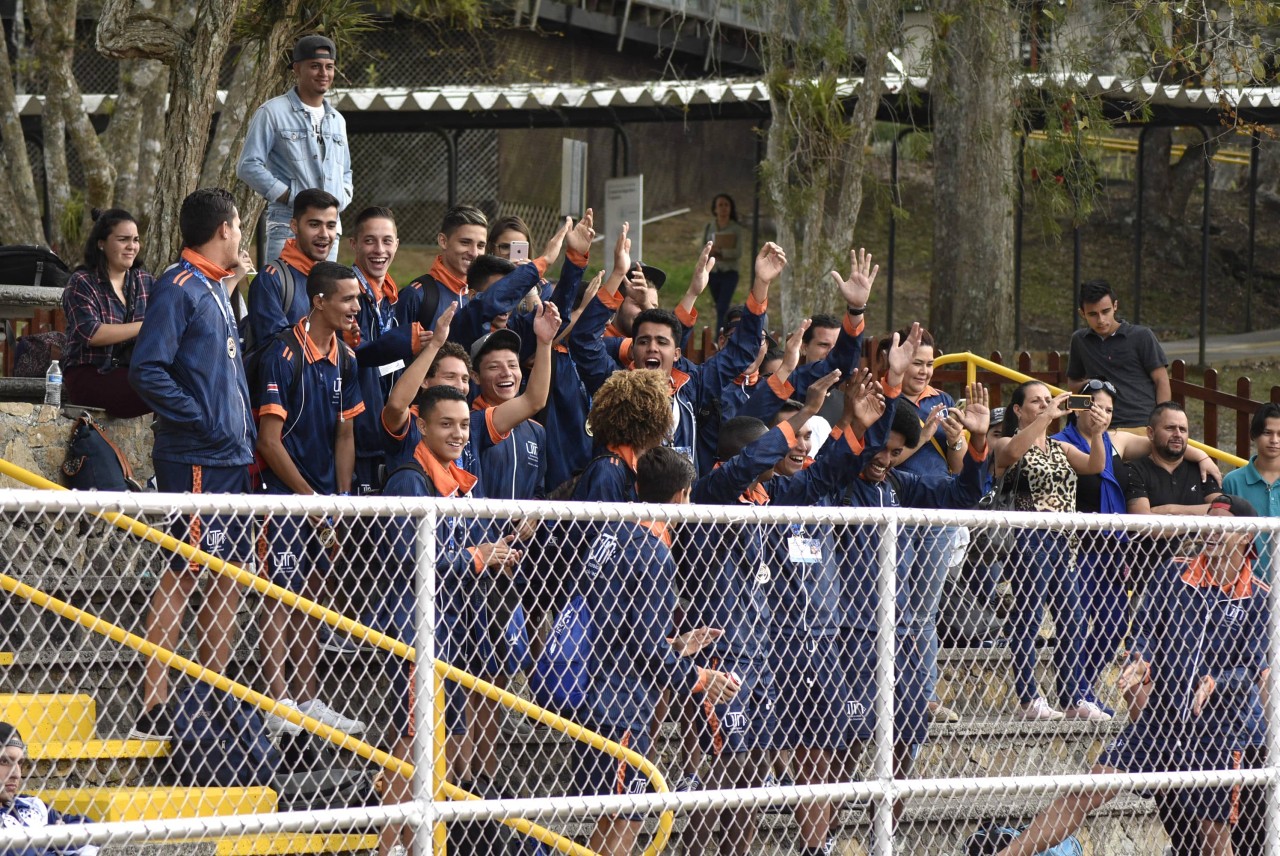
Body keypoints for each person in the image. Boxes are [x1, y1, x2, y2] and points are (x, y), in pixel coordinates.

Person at [993, 495, 1270, 856]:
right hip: (1160, 718)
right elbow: (1144, 630)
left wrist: (1215, 682)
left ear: (1246, 536)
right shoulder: (1174, 572)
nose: (1213, 531)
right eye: (1210, 521)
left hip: (1218, 730)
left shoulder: (1260, 596)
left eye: (1224, 525)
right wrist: (1141, 661)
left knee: (1212, 836)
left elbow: (1251, 667)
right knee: (1086, 789)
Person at [127, 188, 256, 740]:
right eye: (240, 227)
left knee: (227, 577)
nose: (243, 237)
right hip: (196, 456)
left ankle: (209, 695)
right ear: (225, 227)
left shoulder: (215, 287)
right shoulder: (177, 286)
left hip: (231, 457)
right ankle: (154, 705)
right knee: (184, 572)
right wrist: (202, 420)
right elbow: (147, 369)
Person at [571, 446, 740, 856]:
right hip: (620, 701)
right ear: (682, 495)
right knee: (626, 814)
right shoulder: (653, 549)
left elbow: (622, 627)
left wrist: (677, 645)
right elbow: (643, 648)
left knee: (619, 811)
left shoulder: (614, 531)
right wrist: (702, 678)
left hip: (597, 686)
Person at [1052, 379, 1222, 713]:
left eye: (1109, 409)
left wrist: (1201, 456)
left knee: (1114, 624)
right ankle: (1073, 693)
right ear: (1077, 407)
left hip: (1114, 547)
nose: (1103, 413)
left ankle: (1082, 687)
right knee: (1074, 621)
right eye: (1096, 405)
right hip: (1078, 547)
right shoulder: (1058, 443)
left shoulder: (1116, 440)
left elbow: (1165, 441)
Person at [252, 260, 366, 735]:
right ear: (318, 301)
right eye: (347, 299)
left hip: (322, 501)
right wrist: (311, 500)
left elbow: (346, 435)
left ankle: (307, 697)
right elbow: (268, 441)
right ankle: (276, 700)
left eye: (358, 299)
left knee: (315, 595)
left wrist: (336, 503)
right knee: (280, 594)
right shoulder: (281, 352)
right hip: (281, 495)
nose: (356, 308)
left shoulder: (349, 358)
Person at [991, 381, 1107, 722]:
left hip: (1064, 542)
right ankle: (1029, 698)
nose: (1045, 406)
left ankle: (1073, 698)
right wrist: (1048, 415)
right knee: (1028, 618)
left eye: (1048, 401)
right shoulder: (1005, 442)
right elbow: (1010, 455)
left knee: (1072, 619)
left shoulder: (1060, 448)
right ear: (1017, 409)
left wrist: (1098, 433)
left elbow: (1096, 467)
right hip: (1029, 539)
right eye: (1036, 402)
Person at [237, 34, 351, 264]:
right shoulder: (272, 112)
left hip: (330, 233)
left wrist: (340, 199)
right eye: (315, 66)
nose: (323, 73)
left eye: (329, 67)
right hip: (288, 226)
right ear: (296, 69)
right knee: (285, 296)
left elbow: (346, 172)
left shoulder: (337, 119)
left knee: (324, 297)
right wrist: (291, 196)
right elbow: (247, 165)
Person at [61, 208, 153, 417]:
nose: (132, 246)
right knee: (161, 386)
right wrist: (144, 326)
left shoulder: (145, 281)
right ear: (101, 243)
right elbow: (91, 333)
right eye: (123, 239)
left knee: (187, 377)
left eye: (136, 239)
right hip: (91, 375)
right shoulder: (82, 282)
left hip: (133, 371)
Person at [1125, 401, 1224, 577]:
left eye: (1183, 429)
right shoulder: (1134, 470)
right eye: (1170, 428)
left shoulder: (1202, 470)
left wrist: (1168, 511)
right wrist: (1200, 519)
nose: (1178, 434)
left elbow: (1221, 512)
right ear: (1150, 433)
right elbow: (1144, 524)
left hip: (1200, 581)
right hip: (1149, 579)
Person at [1067, 278, 1170, 429]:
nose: (1101, 320)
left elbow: (1161, 380)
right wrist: (1092, 385)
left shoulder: (1141, 336)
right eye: (1093, 314)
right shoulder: (1079, 340)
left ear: (1115, 306)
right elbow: (1073, 384)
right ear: (1082, 313)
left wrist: (1162, 423)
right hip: (1101, 425)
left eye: (1105, 311)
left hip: (1141, 422)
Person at [247, 189, 341, 348]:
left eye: (331, 225)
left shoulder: (336, 281)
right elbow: (275, 351)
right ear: (294, 226)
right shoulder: (272, 279)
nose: (324, 234)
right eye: (314, 224)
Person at [0, 723, 99, 856]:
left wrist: (48, 839)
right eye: (5, 762)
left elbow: (92, 829)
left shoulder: (30, 804)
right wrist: (51, 835)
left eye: (20, 763)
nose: (16, 774)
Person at [1222, 402, 1280, 578]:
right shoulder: (1233, 482)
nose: (1274, 440)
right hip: (1246, 586)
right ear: (1254, 435)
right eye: (1267, 433)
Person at [703, 193, 746, 333]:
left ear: (731, 208)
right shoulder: (709, 226)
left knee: (722, 306)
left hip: (730, 273)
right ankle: (726, 330)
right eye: (720, 205)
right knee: (720, 306)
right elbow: (703, 248)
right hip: (713, 273)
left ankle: (719, 337)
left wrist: (721, 252)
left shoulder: (736, 228)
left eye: (726, 205)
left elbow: (738, 252)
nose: (723, 208)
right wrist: (711, 251)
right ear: (715, 209)